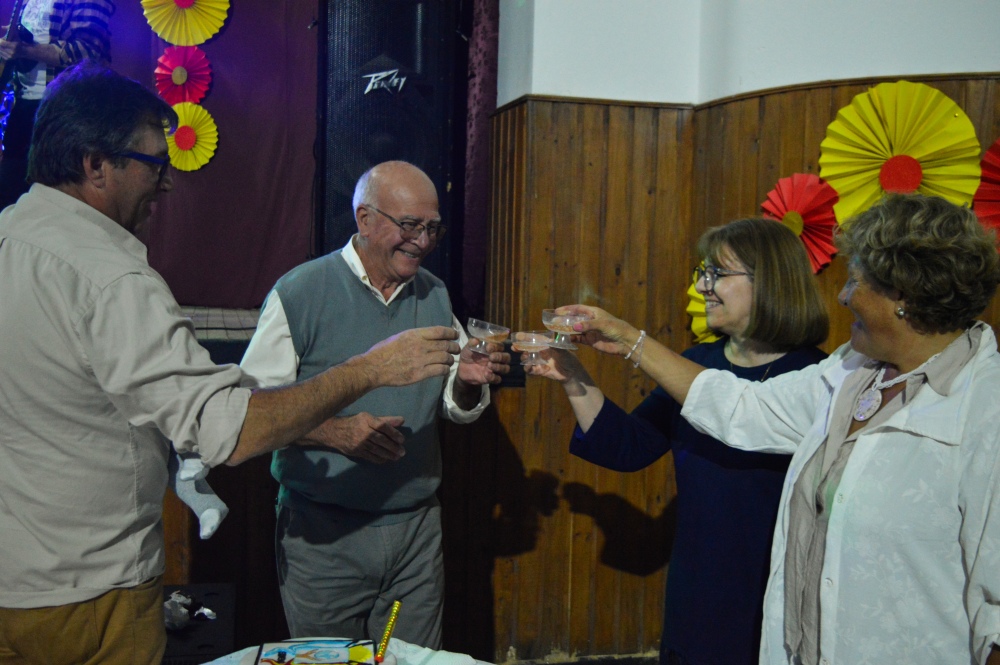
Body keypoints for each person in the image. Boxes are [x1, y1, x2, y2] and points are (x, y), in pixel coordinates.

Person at [0, 63, 462, 664]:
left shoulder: (12, 239)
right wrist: (368, 372)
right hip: (89, 590)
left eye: (431, 227)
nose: (164, 186)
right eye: (153, 165)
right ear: (95, 165)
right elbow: (231, 428)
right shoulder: (113, 279)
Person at [556, 193, 1000, 665]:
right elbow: (743, 408)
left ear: (903, 294)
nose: (843, 294)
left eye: (855, 280)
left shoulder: (985, 408)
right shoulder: (850, 370)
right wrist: (623, 340)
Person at [527, 218, 828, 665]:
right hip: (698, 584)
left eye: (718, 274)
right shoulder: (697, 363)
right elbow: (628, 447)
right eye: (702, 273)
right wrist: (572, 375)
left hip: (772, 585)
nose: (704, 286)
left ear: (770, 282)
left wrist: (627, 337)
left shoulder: (814, 378)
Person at [240, 160, 511, 648]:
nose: (422, 241)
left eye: (432, 228)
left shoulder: (434, 293)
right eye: (410, 226)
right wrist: (334, 433)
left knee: (406, 659)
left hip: (415, 535)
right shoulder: (300, 291)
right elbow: (250, 411)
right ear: (364, 220)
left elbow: (453, 403)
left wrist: (468, 382)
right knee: (330, 661)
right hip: (323, 537)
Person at [0, 0, 115, 208]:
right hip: (24, 107)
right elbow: (34, 37)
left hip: (65, 111)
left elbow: (87, 51)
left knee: (53, 202)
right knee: (10, 199)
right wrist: (12, 38)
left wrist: (23, 50)